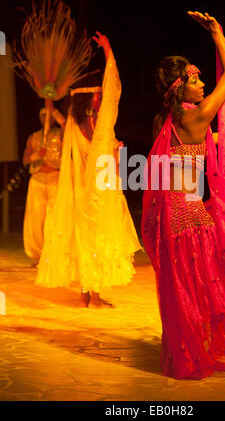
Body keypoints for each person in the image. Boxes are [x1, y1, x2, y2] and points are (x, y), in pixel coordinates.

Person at [142, 11, 225, 379]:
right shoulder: (197, 115)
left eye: (202, 80)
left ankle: (188, 347)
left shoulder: (172, 120)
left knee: (186, 287)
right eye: (197, 80)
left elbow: (194, 149)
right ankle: (201, 349)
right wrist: (218, 33)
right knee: (204, 285)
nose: (202, 85)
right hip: (189, 216)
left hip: (174, 215)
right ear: (180, 88)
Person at [36, 32, 142, 308]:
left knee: (85, 241)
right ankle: (93, 296)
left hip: (81, 192)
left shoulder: (76, 126)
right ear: (90, 102)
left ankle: (86, 294)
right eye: (97, 97)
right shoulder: (98, 126)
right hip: (98, 193)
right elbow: (113, 90)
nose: (101, 98)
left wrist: (112, 148)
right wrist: (109, 52)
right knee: (97, 240)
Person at [23, 104, 65, 265]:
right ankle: (40, 256)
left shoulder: (61, 134)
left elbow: (65, 125)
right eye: (43, 116)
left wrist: (53, 108)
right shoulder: (33, 137)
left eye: (49, 116)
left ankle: (52, 254)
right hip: (38, 180)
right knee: (37, 219)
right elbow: (25, 159)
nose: (46, 119)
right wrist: (35, 155)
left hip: (55, 178)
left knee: (52, 219)